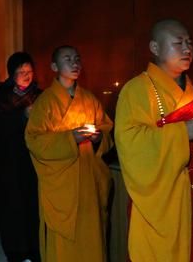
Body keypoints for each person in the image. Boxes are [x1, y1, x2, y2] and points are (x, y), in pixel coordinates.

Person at [114, 19, 193, 262]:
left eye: (189, 43)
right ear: (154, 48)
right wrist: (182, 133)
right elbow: (129, 142)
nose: (187, 49)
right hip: (162, 203)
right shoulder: (137, 90)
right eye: (178, 43)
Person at [25, 45, 113, 262]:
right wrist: (69, 138)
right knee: (64, 241)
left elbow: (107, 129)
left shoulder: (90, 99)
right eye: (68, 59)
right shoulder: (44, 102)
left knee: (92, 234)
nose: (75, 63)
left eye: (77, 59)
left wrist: (98, 137)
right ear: (54, 66)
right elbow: (34, 140)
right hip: (61, 182)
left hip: (89, 180)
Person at [0, 52, 42, 262]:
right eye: (21, 72)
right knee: (13, 206)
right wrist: (21, 116)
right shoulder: (1, 96)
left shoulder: (40, 94)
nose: (26, 75)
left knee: (33, 206)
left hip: (34, 159)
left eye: (29, 71)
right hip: (8, 161)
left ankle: (36, 249)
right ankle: (17, 251)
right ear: (12, 74)